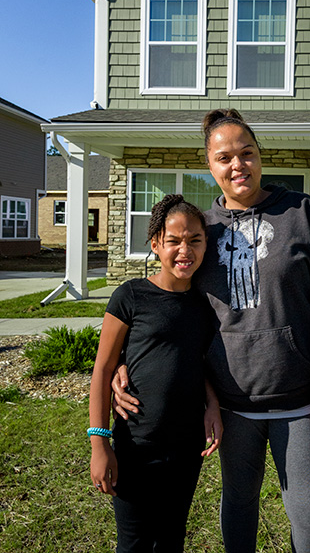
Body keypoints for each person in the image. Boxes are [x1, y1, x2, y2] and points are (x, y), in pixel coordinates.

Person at [113, 109, 310, 553]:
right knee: (239, 503)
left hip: (301, 398)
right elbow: (173, 308)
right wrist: (127, 362)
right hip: (232, 402)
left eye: (246, 153)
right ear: (210, 166)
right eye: (224, 157)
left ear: (260, 157)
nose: (237, 165)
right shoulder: (201, 232)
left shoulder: (302, 214)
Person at [88, 194, 223, 553]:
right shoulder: (130, 296)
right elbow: (103, 368)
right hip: (136, 445)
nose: (185, 250)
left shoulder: (204, 304)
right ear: (155, 244)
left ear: (206, 244)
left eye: (195, 240)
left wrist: (212, 403)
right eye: (174, 240)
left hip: (185, 446)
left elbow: (196, 361)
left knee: (171, 539)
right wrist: (99, 443)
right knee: (133, 544)